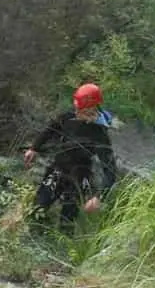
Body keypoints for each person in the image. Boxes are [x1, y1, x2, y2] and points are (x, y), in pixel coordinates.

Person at [24, 83, 118, 232]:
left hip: (79, 178)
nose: (76, 112)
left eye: (80, 110)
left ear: (92, 108)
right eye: (76, 108)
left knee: (67, 221)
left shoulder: (99, 133)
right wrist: (34, 148)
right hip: (58, 169)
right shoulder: (68, 116)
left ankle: (62, 243)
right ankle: (36, 235)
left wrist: (99, 197)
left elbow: (110, 169)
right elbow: (50, 129)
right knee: (37, 208)